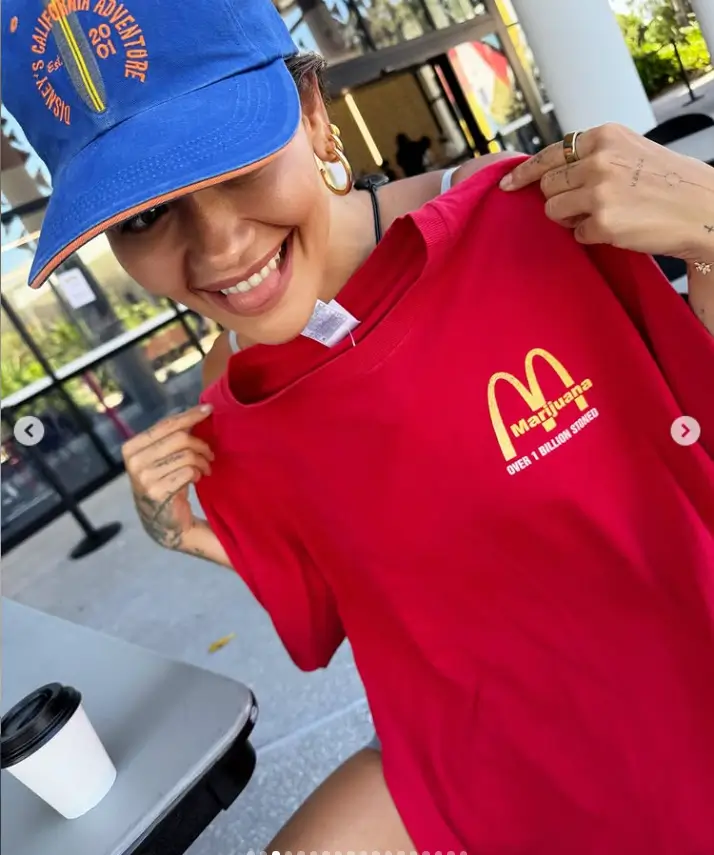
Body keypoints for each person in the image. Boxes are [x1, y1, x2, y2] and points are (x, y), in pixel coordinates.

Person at [5, 0, 714, 852]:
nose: (221, 247)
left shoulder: (535, 214)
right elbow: (353, 614)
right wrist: (211, 540)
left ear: (313, 112)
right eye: (143, 217)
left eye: (235, 162)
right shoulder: (229, 398)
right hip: (486, 766)